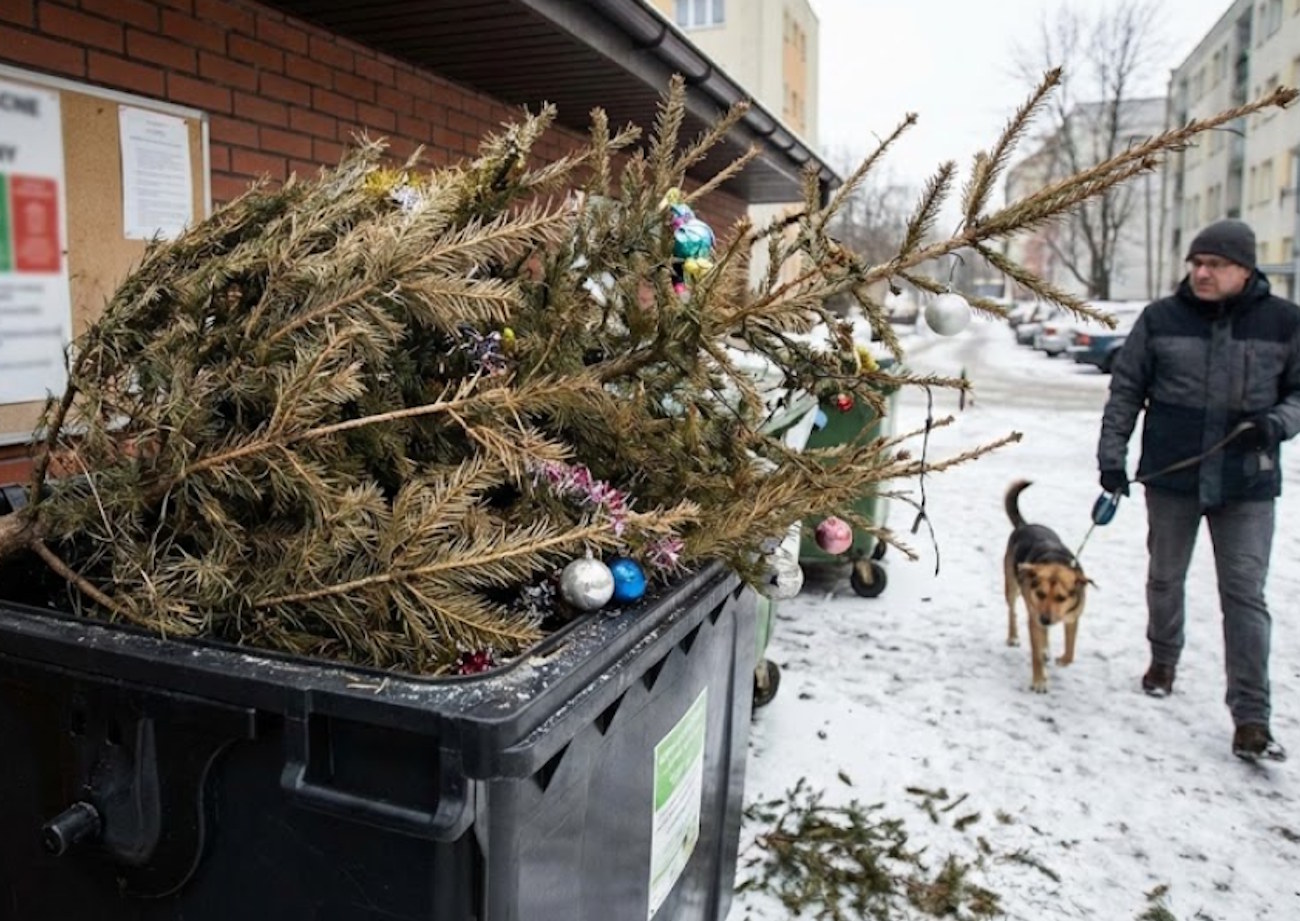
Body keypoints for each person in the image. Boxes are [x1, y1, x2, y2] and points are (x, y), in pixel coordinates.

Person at [1097, 218, 1300, 763]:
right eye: (1197, 263)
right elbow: (1126, 392)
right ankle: (1163, 658)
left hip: (1248, 482)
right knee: (1165, 576)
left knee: (1244, 595)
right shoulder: (1160, 319)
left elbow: (1299, 394)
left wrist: (1277, 422)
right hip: (1173, 475)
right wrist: (1111, 460)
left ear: (1245, 269)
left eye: (1216, 265)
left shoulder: (1285, 322)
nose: (1203, 273)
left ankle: (1252, 718)